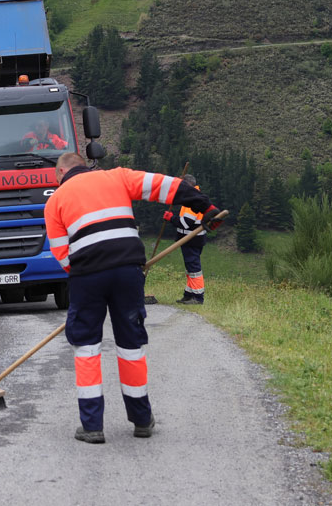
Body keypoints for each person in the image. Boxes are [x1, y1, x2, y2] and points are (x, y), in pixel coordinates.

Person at [44, 152, 222, 443]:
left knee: (87, 348)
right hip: (128, 271)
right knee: (130, 345)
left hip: (87, 276)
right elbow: (168, 186)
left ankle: (92, 426)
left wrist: (84, 279)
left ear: (60, 173)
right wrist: (207, 208)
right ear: (84, 166)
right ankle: (141, 420)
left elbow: (62, 252)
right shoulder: (117, 176)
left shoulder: (55, 200)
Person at [162, 174, 207, 304]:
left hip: (192, 239)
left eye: (181, 186)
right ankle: (189, 294)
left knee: (194, 268)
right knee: (190, 268)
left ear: (187, 185)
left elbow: (186, 223)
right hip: (190, 239)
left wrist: (171, 218)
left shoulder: (194, 200)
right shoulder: (193, 197)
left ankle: (197, 297)